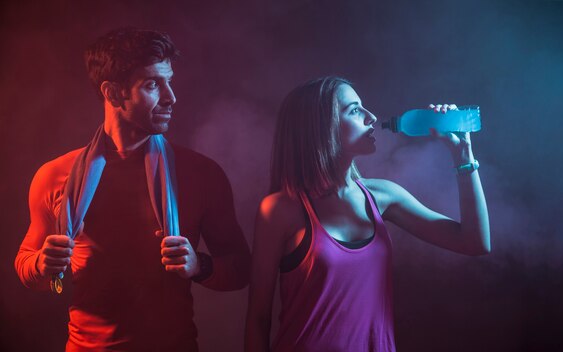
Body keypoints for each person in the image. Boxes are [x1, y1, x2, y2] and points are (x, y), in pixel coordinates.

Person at [14, 27, 251, 351]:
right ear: (112, 93)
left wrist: (200, 265)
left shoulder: (201, 174)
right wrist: (44, 264)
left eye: (169, 81)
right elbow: (27, 264)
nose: (171, 96)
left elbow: (241, 268)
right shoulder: (56, 176)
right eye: (153, 84)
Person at [245, 76, 490, 351]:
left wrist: (463, 155)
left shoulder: (383, 196)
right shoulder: (280, 210)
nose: (371, 117)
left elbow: (474, 242)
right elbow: (258, 319)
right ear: (320, 127)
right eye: (354, 110)